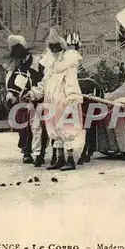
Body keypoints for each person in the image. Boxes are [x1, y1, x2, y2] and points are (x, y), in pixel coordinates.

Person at [28, 28, 83, 171]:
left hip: (63, 101)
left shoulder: (68, 64)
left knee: (66, 128)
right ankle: (60, 159)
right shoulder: (50, 67)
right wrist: (34, 93)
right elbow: (44, 83)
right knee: (53, 128)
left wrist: (72, 98)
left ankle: (70, 160)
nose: (54, 52)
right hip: (51, 101)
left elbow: (71, 82)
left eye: (56, 49)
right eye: (51, 49)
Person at [5, 34, 49, 166]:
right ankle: (26, 149)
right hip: (20, 97)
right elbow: (10, 81)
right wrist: (11, 93)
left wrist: (34, 92)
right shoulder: (13, 64)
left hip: (38, 95)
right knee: (22, 121)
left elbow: (44, 78)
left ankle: (37, 150)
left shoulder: (37, 61)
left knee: (38, 123)